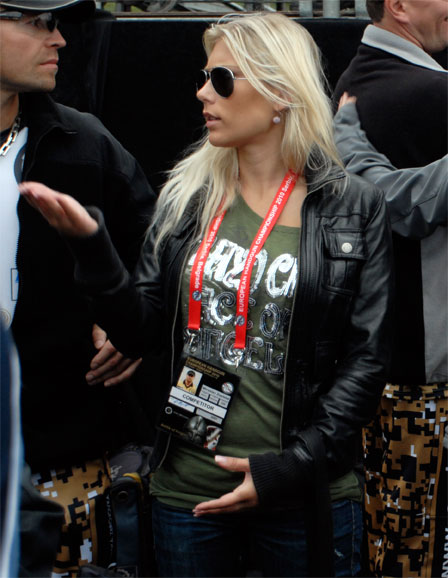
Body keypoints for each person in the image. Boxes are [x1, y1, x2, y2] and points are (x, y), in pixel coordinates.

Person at [19, 12, 394, 578]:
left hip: (301, 491)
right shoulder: (188, 197)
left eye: (221, 80)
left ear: (279, 93)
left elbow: (367, 361)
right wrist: (93, 250)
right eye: (203, 77)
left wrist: (289, 467)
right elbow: (139, 332)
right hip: (187, 494)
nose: (202, 93)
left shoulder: (353, 207)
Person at [0, 0, 155, 573]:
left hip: (64, 458)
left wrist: (130, 317)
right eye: (37, 22)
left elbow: (162, 253)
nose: (59, 39)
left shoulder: (84, 144)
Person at [333, 1, 448, 573]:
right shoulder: (429, 94)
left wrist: (344, 141)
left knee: (398, 551)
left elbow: (401, 201)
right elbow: (407, 203)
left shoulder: (353, 87)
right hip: (422, 389)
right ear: (399, 5)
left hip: (383, 380)